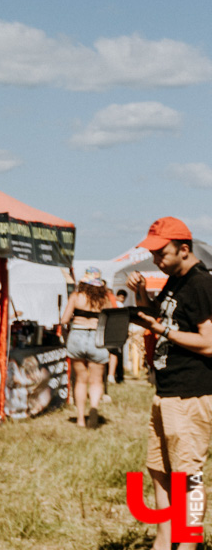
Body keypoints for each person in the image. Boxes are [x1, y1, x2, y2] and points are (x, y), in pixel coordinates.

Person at [126, 217, 212, 550]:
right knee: (159, 471)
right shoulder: (175, 280)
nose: (156, 260)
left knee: (187, 478)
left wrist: (159, 329)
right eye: (153, 253)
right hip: (166, 391)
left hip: (190, 394)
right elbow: (162, 320)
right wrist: (139, 295)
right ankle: (163, 542)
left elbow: (208, 343)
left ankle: (188, 545)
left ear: (184, 249)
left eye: (162, 253)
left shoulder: (202, 284)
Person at [60, 267, 113, 428]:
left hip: (77, 336)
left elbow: (64, 320)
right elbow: (112, 321)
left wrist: (67, 334)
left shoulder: (76, 297)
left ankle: (81, 419)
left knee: (81, 380)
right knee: (96, 381)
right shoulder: (105, 300)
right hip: (98, 337)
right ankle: (94, 409)